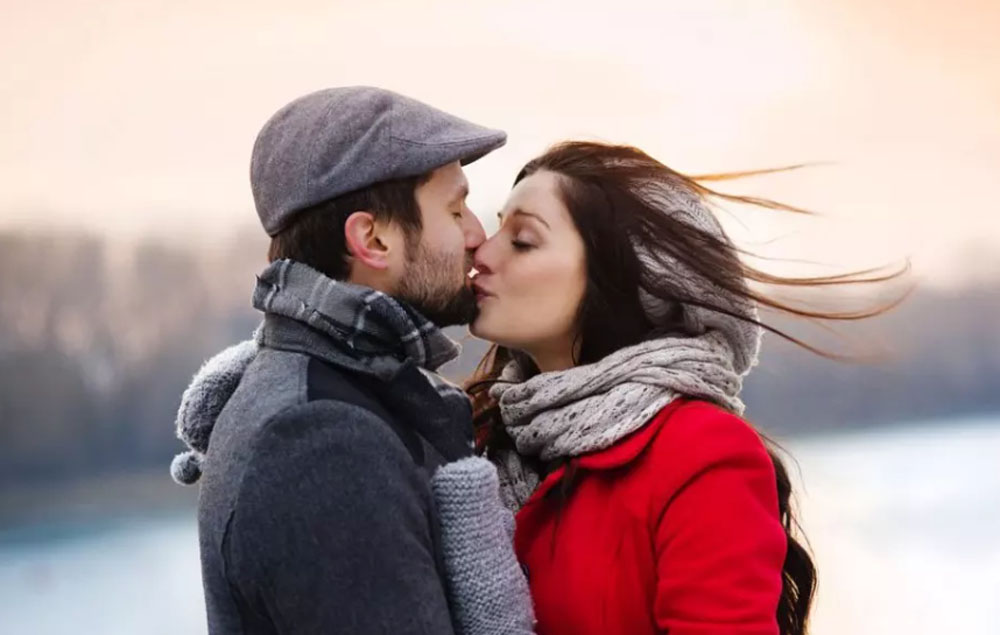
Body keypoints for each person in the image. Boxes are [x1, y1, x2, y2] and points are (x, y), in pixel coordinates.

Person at [464, 141, 899, 635]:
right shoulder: (477, 438)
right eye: (497, 227)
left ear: (623, 279)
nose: (482, 252)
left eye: (522, 240)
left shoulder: (701, 452)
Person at [168, 86, 533, 634]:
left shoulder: (335, 392)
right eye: (455, 209)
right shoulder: (322, 438)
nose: (476, 234)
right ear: (372, 239)